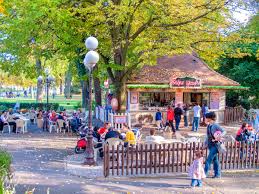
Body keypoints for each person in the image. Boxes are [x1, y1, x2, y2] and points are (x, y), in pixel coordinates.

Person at [204, 112, 225, 178]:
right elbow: (208, 136)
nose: (205, 119)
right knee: (215, 160)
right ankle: (217, 174)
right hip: (210, 144)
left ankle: (203, 174)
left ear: (209, 118)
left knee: (208, 160)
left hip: (216, 145)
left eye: (206, 117)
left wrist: (219, 137)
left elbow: (224, 131)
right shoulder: (208, 125)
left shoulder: (215, 125)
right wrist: (205, 144)